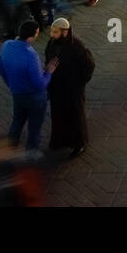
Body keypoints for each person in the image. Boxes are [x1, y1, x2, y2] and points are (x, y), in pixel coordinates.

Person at [0, 20, 55, 153]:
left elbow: (2, 71)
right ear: (33, 35)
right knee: (34, 126)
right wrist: (49, 73)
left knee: (17, 121)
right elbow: (40, 84)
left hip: (17, 94)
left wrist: (13, 85)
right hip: (35, 97)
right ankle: (31, 153)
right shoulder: (30, 55)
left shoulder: (6, 45)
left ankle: (10, 147)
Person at [45, 17, 95, 158]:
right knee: (58, 114)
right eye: (52, 31)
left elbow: (89, 66)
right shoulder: (52, 42)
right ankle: (59, 141)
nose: (52, 35)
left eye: (55, 32)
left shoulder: (77, 47)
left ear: (65, 32)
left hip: (73, 90)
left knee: (75, 116)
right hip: (57, 87)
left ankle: (79, 144)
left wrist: (79, 83)